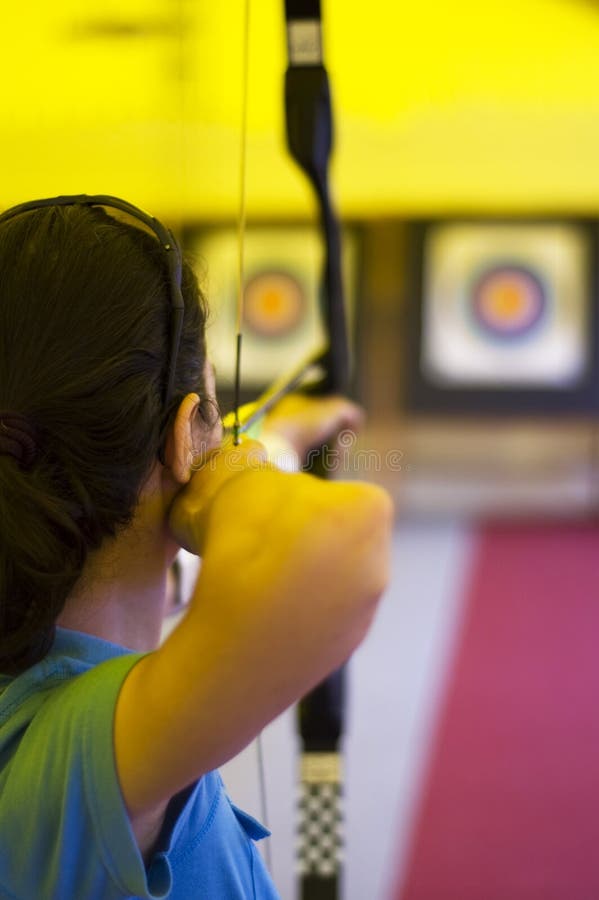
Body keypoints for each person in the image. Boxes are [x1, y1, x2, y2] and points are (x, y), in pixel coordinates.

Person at [0, 198, 393, 899]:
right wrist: (236, 470)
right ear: (186, 438)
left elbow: (134, 566)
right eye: (215, 409)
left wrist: (264, 445)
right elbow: (339, 544)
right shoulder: (69, 753)